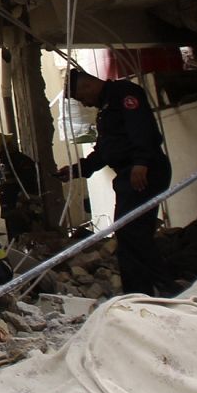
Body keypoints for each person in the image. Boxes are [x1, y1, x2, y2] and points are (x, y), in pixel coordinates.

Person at [60, 69, 174, 297]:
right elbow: (105, 150)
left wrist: (141, 162)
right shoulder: (106, 108)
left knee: (132, 233)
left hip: (142, 172)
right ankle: (144, 290)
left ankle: (159, 288)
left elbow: (141, 128)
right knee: (131, 234)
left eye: (82, 98)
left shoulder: (125, 94)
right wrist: (78, 170)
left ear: (87, 86)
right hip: (129, 173)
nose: (86, 104)